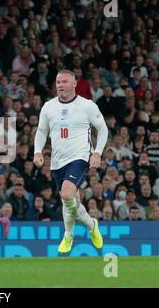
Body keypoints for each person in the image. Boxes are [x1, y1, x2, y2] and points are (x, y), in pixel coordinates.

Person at [33, 69, 108, 254]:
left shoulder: (87, 105)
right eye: (58, 82)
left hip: (80, 157)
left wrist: (97, 153)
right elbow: (42, 131)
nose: (61, 85)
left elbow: (103, 129)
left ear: (74, 84)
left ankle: (68, 235)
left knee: (66, 195)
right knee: (73, 202)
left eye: (65, 82)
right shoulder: (48, 107)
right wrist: (37, 151)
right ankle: (91, 225)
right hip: (58, 161)